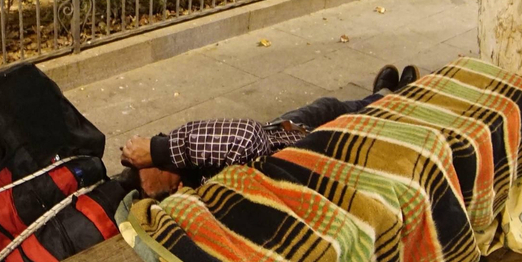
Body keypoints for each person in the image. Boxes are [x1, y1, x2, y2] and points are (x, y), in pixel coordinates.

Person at [121, 63, 421, 199]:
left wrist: (163, 148)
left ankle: (382, 93)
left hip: (282, 129)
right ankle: (397, 98)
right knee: (359, 121)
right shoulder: (202, 185)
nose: (157, 142)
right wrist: (160, 151)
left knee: (328, 104)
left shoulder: (181, 158)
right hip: (301, 151)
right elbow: (246, 137)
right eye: (151, 163)